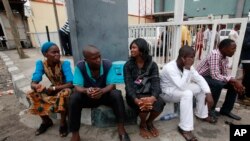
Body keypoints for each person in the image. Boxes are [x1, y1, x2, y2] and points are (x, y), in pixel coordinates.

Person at [68, 45, 130, 141]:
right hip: (88, 97)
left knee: (116, 94)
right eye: (94, 58)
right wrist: (86, 90)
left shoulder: (107, 64)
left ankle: (121, 129)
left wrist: (101, 91)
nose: (98, 60)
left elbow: (111, 85)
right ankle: (75, 134)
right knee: (74, 97)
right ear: (86, 60)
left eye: (99, 56)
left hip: (104, 95)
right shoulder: (80, 66)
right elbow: (77, 86)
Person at [160, 46, 215, 141]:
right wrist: (187, 69)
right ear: (183, 58)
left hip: (179, 88)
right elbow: (182, 87)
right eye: (191, 57)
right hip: (167, 93)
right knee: (187, 94)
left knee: (201, 88)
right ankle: (184, 128)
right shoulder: (169, 68)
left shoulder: (189, 66)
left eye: (193, 57)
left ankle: (202, 114)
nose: (193, 60)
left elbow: (199, 78)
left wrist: (208, 93)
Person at [26, 42, 73, 137]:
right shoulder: (41, 64)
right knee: (31, 93)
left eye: (58, 52)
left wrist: (54, 88)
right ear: (45, 54)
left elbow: (71, 83)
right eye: (54, 52)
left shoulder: (65, 64)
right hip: (53, 88)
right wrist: (36, 86)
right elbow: (34, 80)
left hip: (66, 88)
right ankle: (46, 121)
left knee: (64, 94)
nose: (57, 54)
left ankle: (63, 123)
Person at [124, 38, 165, 139]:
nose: (131, 50)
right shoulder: (128, 65)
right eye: (131, 48)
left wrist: (153, 97)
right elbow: (128, 85)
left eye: (134, 48)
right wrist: (136, 99)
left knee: (160, 103)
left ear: (142, 49)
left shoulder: (153, 65)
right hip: (133, 95)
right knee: (143, 105)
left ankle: (149, 122)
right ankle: (142, 124)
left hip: (149, 93)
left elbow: (156, 82)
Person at [196, 39, 245, 120]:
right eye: (233, 48)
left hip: (210, 77)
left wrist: (234, 82)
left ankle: (226, 110)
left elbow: (225, 75)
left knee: (232, 85)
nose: (234, 51)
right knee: (218, 84)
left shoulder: (225, 58)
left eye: (235, 49)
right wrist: (234, 80)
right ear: (223, 48)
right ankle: (210, 110)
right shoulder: (215, 54)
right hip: (200, 77)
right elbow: (215, 75)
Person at [239, 23, 250, 105]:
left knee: (247, 78)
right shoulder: (248, 29)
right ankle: (243, 96)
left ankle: (244, 95)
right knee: (247, 78)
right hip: (247, 58)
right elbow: (245, 44)